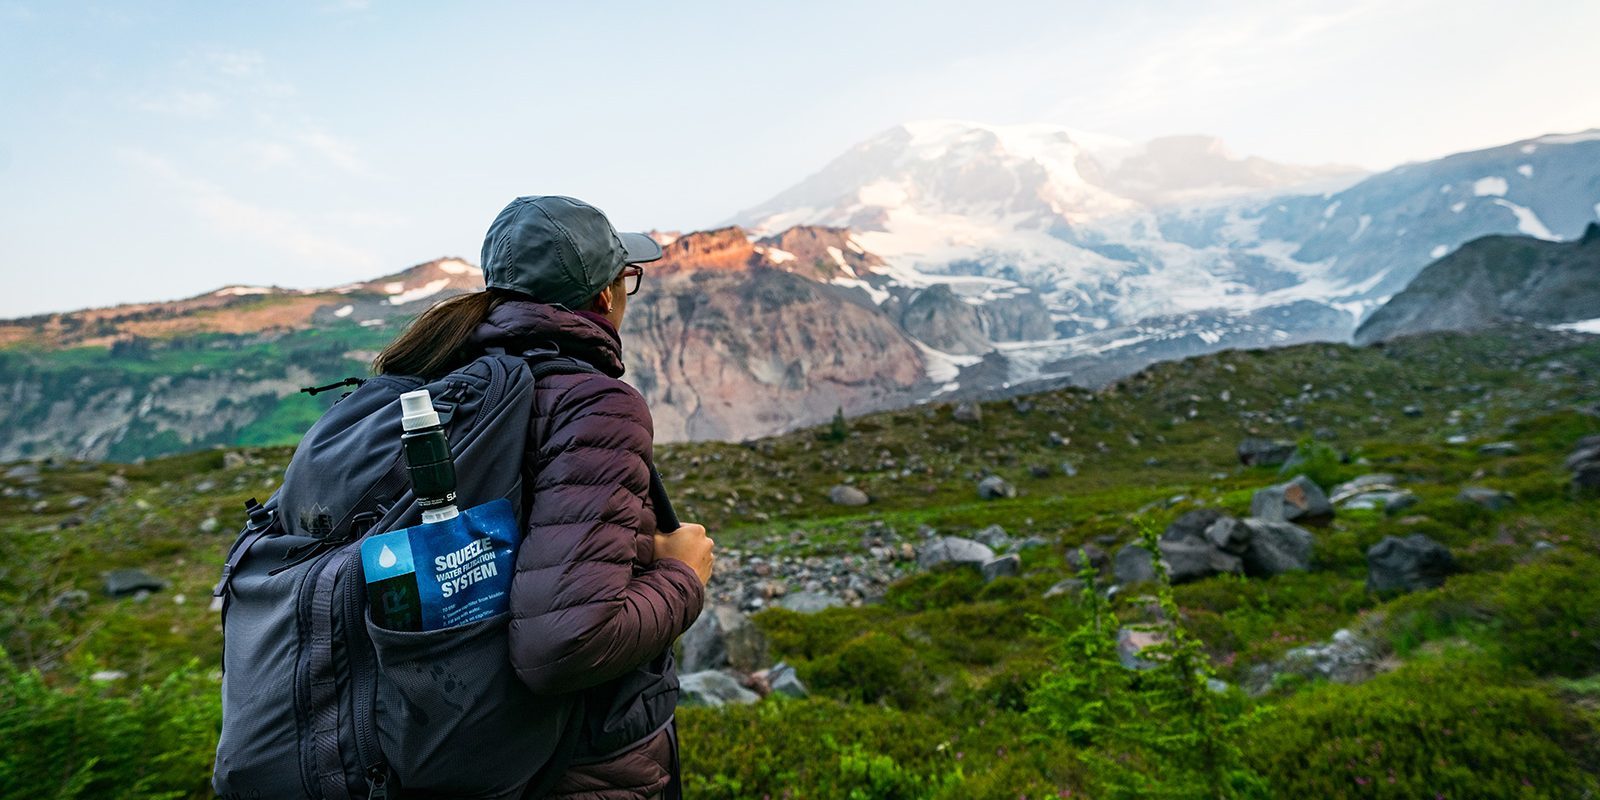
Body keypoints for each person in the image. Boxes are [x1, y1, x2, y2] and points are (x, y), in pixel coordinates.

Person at [370, 195, 715, 800]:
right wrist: (682, 576)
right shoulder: (592, 402)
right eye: (627, 278)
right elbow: (562, 646)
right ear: (605, 296)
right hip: (575, 767)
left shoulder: (447, 386)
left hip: (457, 756)